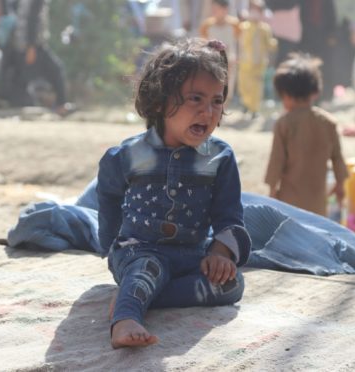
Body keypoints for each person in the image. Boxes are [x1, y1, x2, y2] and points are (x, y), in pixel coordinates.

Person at [97, 38, 251, 348]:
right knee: (146, 269)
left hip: (193, 254)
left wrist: (219, 254)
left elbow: (228, 213)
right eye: (196, 98)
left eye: (217, 101)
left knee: (231, 285)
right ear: (159, 102)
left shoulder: (219, 157)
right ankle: (126, 317)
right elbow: (108, 194)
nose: (208, 112)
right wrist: (111, 243)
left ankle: (139, 296)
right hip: (138, 250)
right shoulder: (129, 155)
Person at [264, 53, 349, 216]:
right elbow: (338, 158)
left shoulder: (284, 123)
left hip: (289, 202)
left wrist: (272, 190)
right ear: (315, 91)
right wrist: (340, 185)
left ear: (285, 95)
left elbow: (276, 161)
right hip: (317, 202)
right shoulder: (328, 122)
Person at [237, 0, 277, 118]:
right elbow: (239, 42)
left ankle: (254, 109)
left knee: (256, 86)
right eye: (252, 10)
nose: (254, 13)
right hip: (244, 62)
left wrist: (273, 45)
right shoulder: (244, 27)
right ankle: (246, 103)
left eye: (257, 11)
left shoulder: (265, 29)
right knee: (244, 84)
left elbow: (270, 44)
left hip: (259, 63)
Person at [200, 0, 241, 100]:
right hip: (212, 62)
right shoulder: (207, 25)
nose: (214, 11)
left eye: (217, 8)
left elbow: (239, 43)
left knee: (228, 87)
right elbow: (202, 43)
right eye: (213, 8)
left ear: (225, 9)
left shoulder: (235, 24)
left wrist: (237, 57)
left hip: (229, 61)